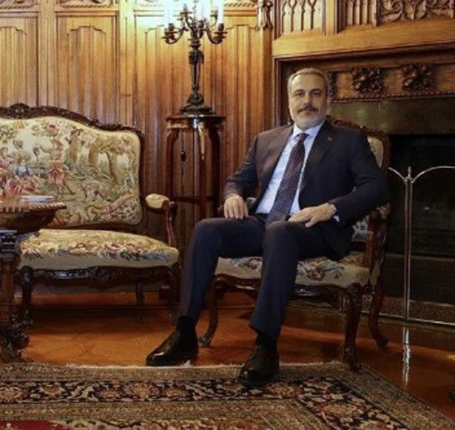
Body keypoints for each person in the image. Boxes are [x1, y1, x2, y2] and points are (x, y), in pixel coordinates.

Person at [145, 68, 388, 388]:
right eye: (299, 94)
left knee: (280, 232)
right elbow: (237, 180)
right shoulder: (267, 139)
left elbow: (377, 188)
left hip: (313, 228)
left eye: (315, 93)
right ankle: (185, 331)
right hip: (264, 223)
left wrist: (330, 208)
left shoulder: (348, 141)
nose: (307, 101)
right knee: (206, 230)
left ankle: (265, 345)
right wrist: (233, 196)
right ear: (289, 101)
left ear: (328, 100)